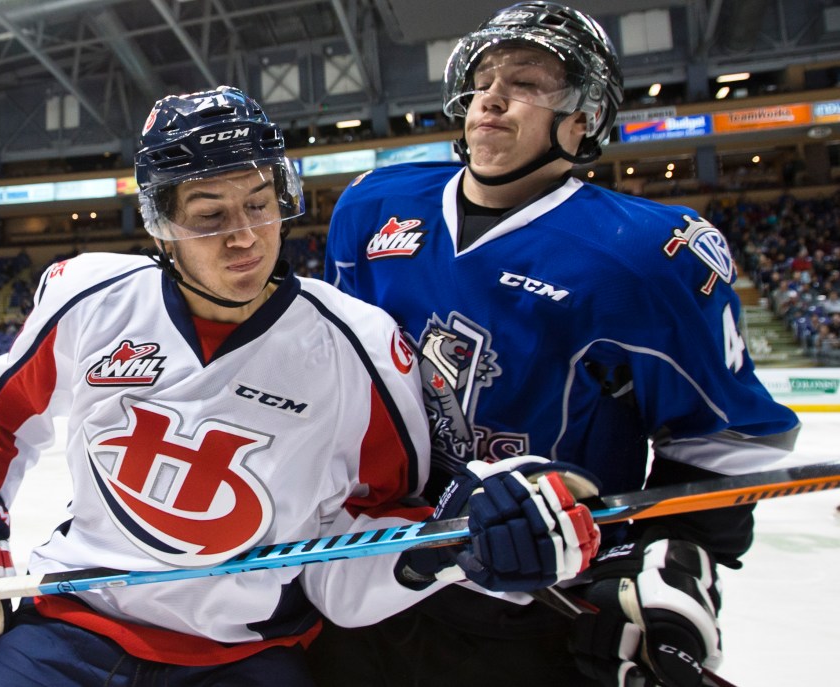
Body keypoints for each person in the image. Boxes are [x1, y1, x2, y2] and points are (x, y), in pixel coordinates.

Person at [0, 85, 601, 686]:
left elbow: (370, 533)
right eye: (208, 214)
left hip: (242, 654)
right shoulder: (87, 295)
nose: (244, 235)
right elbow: (4, 421)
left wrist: (460, 546)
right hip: (69, 627)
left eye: (260, 202)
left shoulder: (360, 346)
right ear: (161, 225)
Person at [308, 3, 802, 686]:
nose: (491, 97)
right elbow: (338, 385)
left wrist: (662, 568)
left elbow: (722, 443)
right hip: (377, 569)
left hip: (533, 595)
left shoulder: (645, 254)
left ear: (582, 119)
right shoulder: (372, 208)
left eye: (527, 81)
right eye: (483, 78)